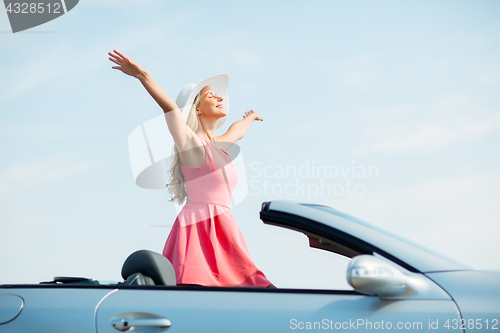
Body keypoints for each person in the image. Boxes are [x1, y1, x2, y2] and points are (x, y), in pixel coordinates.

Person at [108, 49, 276, 288]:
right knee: (198, 289)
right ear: (197, 108)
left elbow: (238, 130)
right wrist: (142, 75)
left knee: (258, 289)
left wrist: (251, 117)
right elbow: (170, 110)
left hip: (224, 229)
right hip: (199, 230)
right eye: (211, 96)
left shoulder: (219, 146)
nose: (219, 98)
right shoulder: (192, 145)